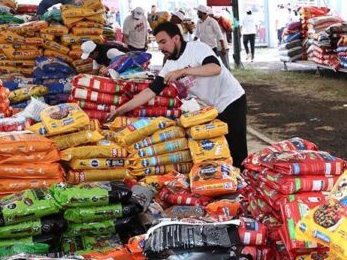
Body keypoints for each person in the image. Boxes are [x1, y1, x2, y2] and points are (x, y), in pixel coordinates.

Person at [106, 22, 248, 166]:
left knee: (237, 149)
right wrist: (121, 110)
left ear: (176, 38)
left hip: (232, 100)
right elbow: (150, 91)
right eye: (158, 43)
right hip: (213, 107)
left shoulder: (197, 48)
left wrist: (183, 71)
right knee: (221, 148)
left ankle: (245, 181)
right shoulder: (169, 66)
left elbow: (215, 68)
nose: (161, 47)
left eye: (163, 42)